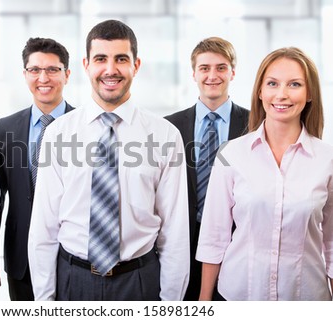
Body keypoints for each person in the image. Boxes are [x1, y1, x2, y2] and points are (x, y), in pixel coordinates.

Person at [28, 19, 190, 301]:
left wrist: (170, 305)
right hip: (72, 279)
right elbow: (44, 227)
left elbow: (175, 233)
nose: (110, 70)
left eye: (121, 59)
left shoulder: (165, 135)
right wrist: (44, 303)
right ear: (86, 64)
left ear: (136, 65)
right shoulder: (58, 133)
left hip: (139, 281)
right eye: (101, 58)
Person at [197, 47, 333, 300]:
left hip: (306, 299)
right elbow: (214, 238)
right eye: (272, 83)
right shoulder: (232, 154)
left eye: (294, 84)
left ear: (310, 92)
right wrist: (204, 304)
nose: (281, 94)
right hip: (239, 296)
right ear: (260, 91)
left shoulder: (327, 160)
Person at [165, 36, 249, 300]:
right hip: (182, 242)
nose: (212, 75)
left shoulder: (255, 124)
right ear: (194, 74)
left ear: (232, 72)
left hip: (238, 242)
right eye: (204, 68)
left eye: (221, 67)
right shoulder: (170, 127)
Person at [0, 37, 74, 300]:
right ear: (25, 75)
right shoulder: (6, 129)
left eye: (52, 69)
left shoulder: (86, 127)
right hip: (21, 257)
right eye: (35, 70)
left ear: (67, 74)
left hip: (73, 256)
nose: (43, 78)